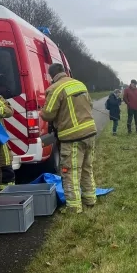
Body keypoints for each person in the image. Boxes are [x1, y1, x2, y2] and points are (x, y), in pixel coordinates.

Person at [40, 63, 97, 213]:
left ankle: (73, 207)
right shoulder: (80, 84)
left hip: (72, 137)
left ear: (52, 76)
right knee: (87, 168)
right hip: (90, 132)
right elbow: (90, 104)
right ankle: (90, 199)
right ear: (64, 72)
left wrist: (41, 110)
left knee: (70, 172)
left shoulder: (54, 89)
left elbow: (48, 114)